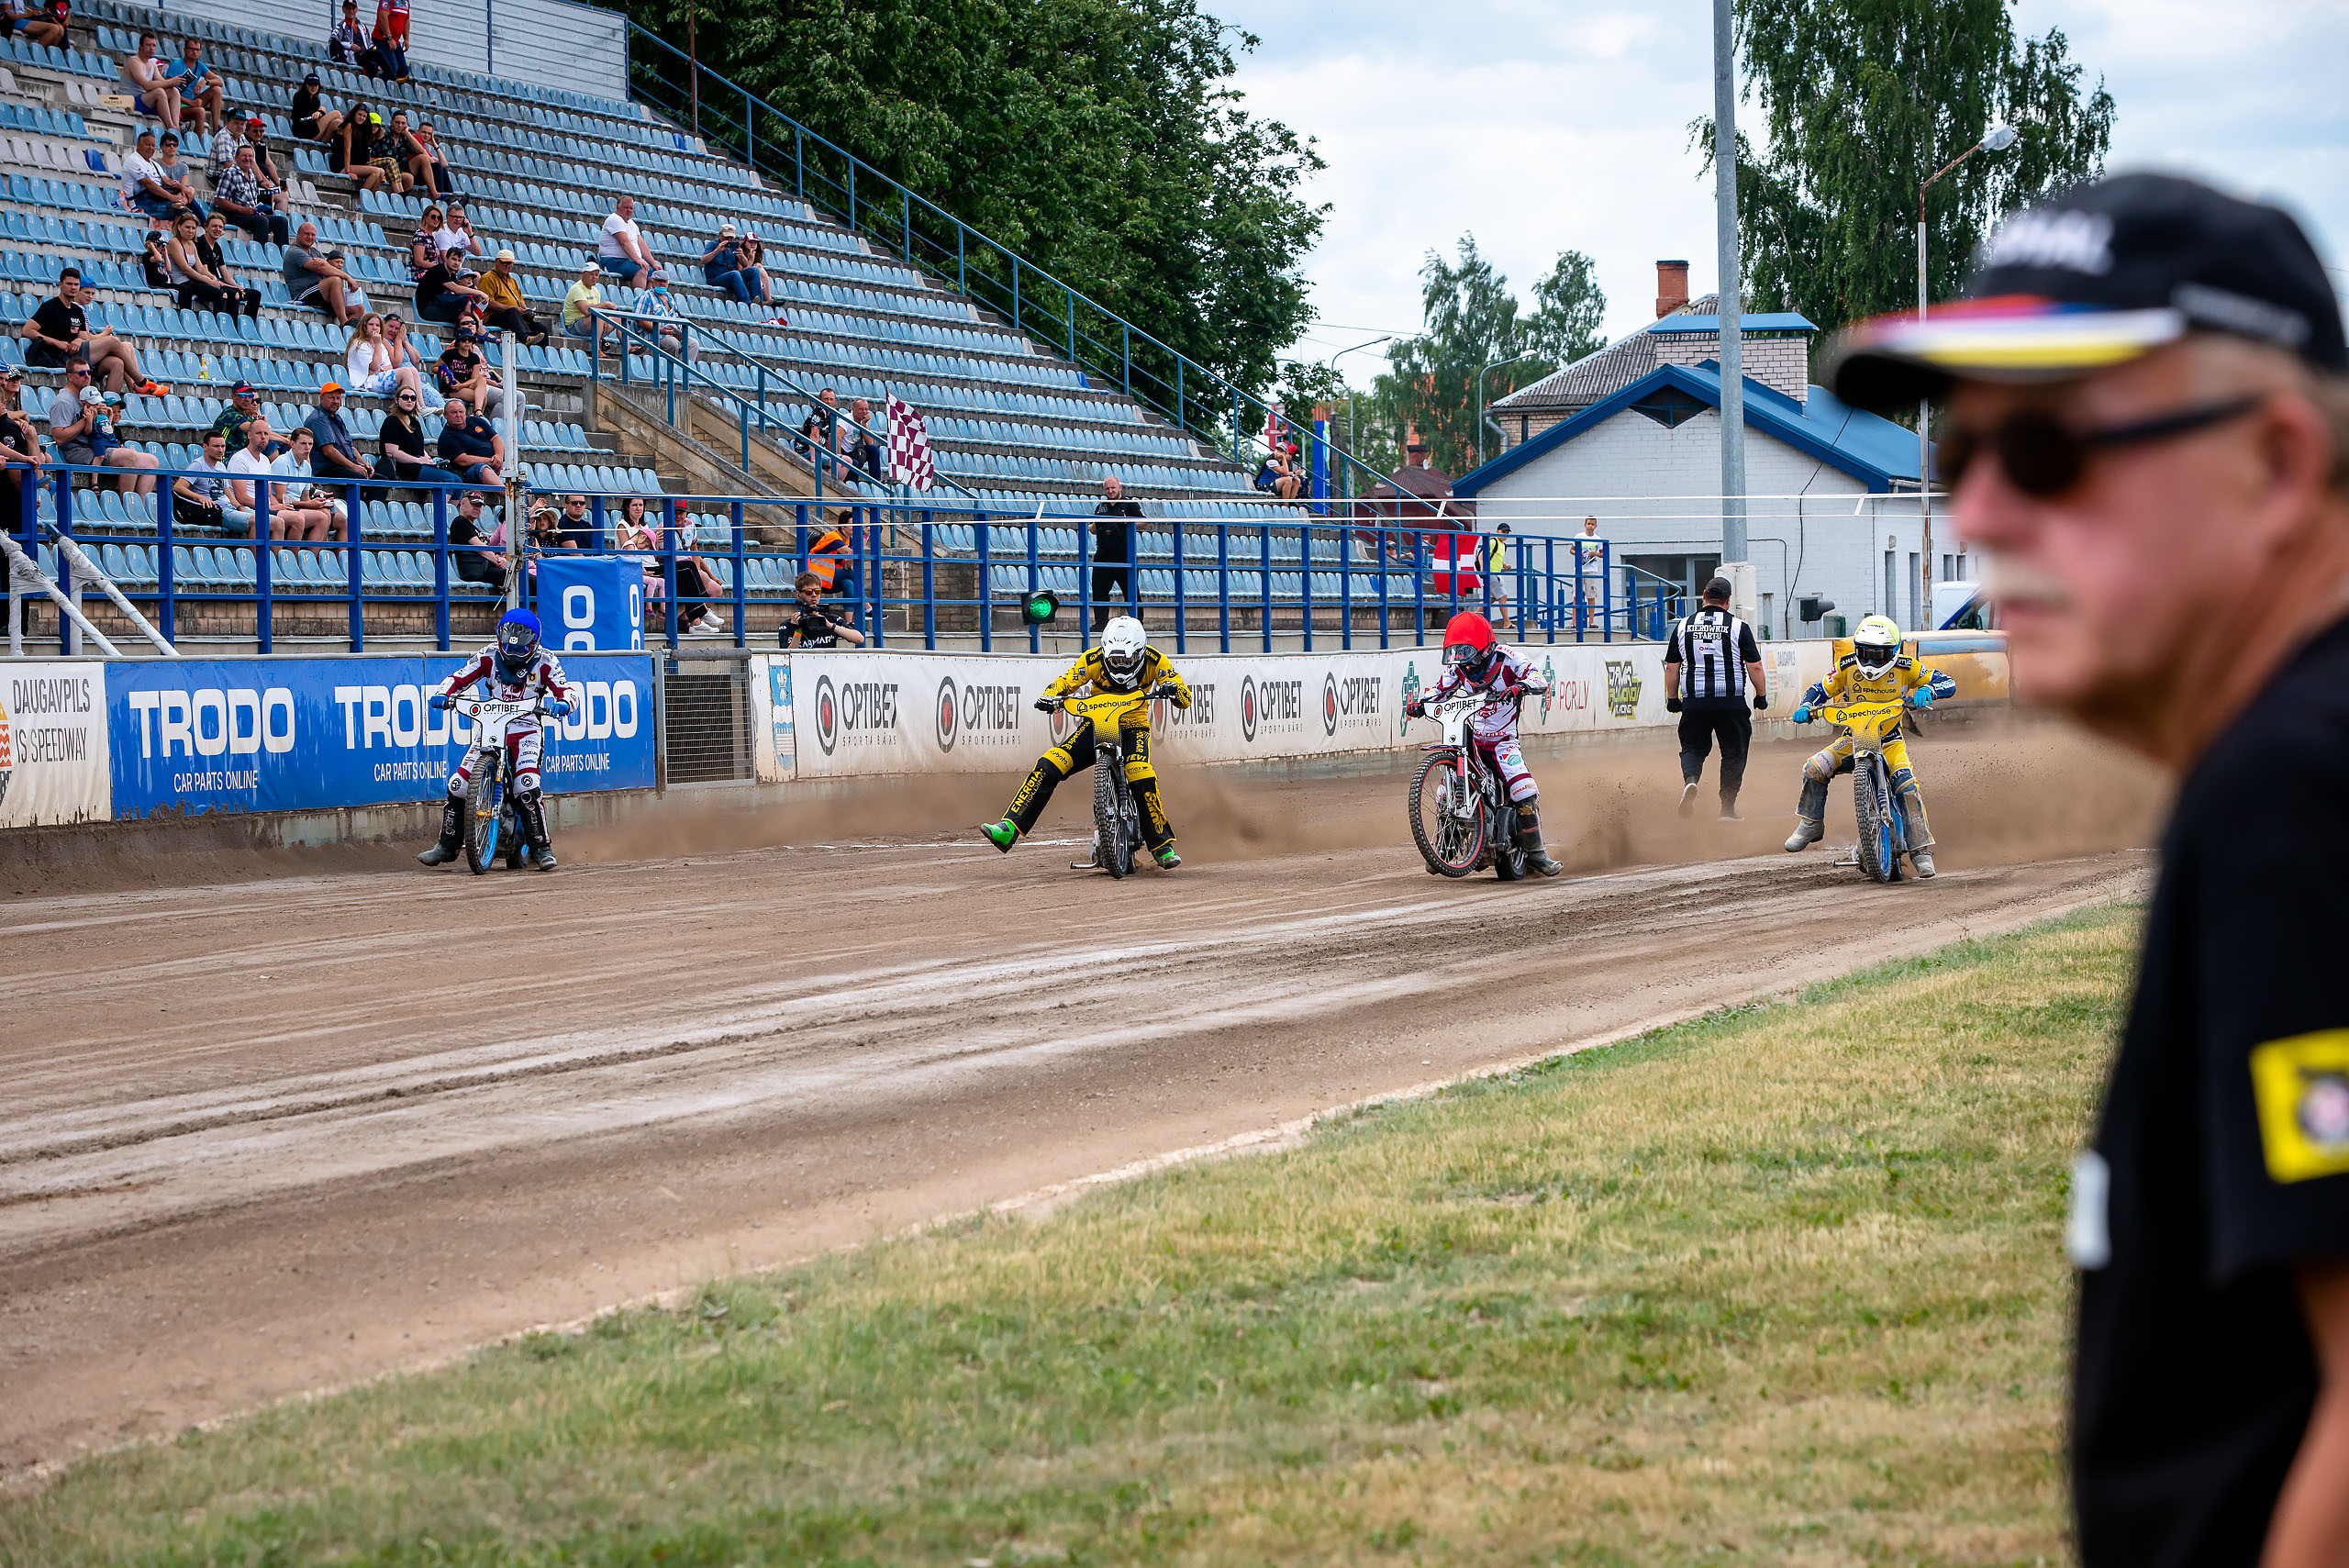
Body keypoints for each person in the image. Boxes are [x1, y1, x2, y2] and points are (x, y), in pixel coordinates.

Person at [1828, 171, 2349, 1567]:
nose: (1979, 514)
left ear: (2279, 464)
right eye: (1961, 454)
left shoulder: (2293, 790)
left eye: (2048, 453)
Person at [980, 615, 1193, 869]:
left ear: (1140, 653)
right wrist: (1050, 695)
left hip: (1133, 728)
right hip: (1095, 725)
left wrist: (1172, 689)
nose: (1121, 665)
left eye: (1127, 659)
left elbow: (1184, 695)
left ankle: (1161, 845)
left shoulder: (1156, 660)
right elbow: (1066, 681)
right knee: (1050, 763)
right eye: (1115, 659)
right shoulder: (1091, 660)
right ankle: (1010, 827)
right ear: (1104, 652)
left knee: (1140, 773)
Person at [1781, 614, 1954, 873]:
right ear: (1856, 650)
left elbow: (1947, 682)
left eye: (1879, 655)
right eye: (1865, 653)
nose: (1871, 662)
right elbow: (1819, 688)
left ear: (1893, 652)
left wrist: (1929, 690)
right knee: (1814, 767)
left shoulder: (1907, 667)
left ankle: (1920, 850)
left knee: (1907, 786)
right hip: (1853, 738)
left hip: (1889, 741)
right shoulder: (1846, 666)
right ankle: (1811, 823)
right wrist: (1807, 705)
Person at [1400, 609, 1564, 874]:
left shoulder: (1509, 659)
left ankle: (1536, 853)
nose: (1465, 663)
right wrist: (1420, 704)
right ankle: (1446, 848)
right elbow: (1440, 689)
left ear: (1485, 648)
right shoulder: (1459, 667)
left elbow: (1538, 679)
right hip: (1472, 740)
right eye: (1459, 654)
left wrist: (1520, 687)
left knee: (1523, 789)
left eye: (1469, 654)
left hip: (1503, 741)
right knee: (1446, 790)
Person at [417, 610, 574, 871]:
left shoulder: (546, 661)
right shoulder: (487, 655)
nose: (513, 648)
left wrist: (564, 703)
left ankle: (542, 847)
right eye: (509, 639)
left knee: (526, 786)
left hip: (526, 732)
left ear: (534, 641)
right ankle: (446, 845)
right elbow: (459, 677)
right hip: (490, 729)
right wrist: (442, 693)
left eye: (521, 642)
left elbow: (566, 689)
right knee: (457, 785)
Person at [1663, 575, 1766, 821]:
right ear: (1728, 601)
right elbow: (1755, 668)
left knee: (1692, 747)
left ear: (1703, 597)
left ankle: (1691, 780)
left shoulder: (1683, 626)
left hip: (1695, 701)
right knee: (1734, 752)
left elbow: (1671, 668)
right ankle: (1727, 809)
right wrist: (1761, 696)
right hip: (1730, 702)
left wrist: (1672, 699)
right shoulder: (1739, 627)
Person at [19, 268, 164, 395]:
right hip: (59, 356)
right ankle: (141, 383)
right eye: (69, 284)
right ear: (60, 285)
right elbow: (27, 330)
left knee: (117, 363)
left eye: (76, 284)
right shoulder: (50, 307)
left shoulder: (77, 310)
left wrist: (77, 340)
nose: (73, 287)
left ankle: (108, 410)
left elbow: (83, 337)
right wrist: (56, 342)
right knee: (113, 341)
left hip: (77, 354)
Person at [48, 361, 157, 495]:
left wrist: (103, 415)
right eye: (82, 373)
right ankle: (126, 506)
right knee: (130, 456)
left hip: (96, 446)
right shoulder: (63, 401)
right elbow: (59, 437)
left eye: (89, 372)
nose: (87, 376)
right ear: (70, 377)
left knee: (152, 461)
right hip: (78, 450)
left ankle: (140, 508)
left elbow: (102, 429)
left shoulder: (89, 395)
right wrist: (86, 419)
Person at [374, 383, 461, 488]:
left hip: (418, 465)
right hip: (403, 467)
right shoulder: (392, 421)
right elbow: (391, 452)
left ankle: (448, 505)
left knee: (458, 481)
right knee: (449, 479)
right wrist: (418, 460)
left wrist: (426, 458)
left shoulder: (415, 422)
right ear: (397, 400)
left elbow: (419, 447)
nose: (409, 400)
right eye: (405, 397)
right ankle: (439, 505)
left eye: (413, 398)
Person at [266, 426, 342, 540]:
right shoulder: (282, 463)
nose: (307, 448)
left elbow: (305, 498)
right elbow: (282, 499)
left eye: (310, 444)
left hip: (296, 506)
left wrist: (320, 502)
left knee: (339, 517)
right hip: (283, 507)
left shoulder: (306, 466)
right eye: (303, 443)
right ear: (292, 444)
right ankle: (298, 556)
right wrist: (310, 505)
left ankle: (313, 557)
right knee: (322, 518)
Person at [284, 222, 363, 328]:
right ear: (298, 234)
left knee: (358, 308)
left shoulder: (315, 252)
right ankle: (344, 322)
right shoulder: (294, 252)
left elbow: (327, 266)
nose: (310, 237)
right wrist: (347, 277)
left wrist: (325, 264)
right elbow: (322, 268)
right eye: (307, 234)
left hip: (321, 294)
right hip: (303, 295)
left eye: (313, 235)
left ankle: (345, 338)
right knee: (334, 280)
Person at [161, 211, 239, 316]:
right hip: (181, 282)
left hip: (192, 281)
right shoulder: (174, 242)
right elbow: (186, 269)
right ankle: (218, 325)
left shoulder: (192, 244)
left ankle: (230, 327)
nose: (190, 231)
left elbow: (200, 268)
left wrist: (214, 279)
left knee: (232, 294)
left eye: (193, 228)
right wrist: (209, 281)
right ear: (179, 227)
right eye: (187, 227)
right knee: (220, 294)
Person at [304, 381, 373, 498]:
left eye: (338, 398)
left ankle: (366, 509)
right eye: (331, 398)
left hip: (344, 465)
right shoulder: (318, 419)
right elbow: (329, 451)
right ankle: (355, 513)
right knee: (359, 478)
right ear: (321, 399)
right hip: (327, 467)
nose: (335, 401)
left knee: (381, 480)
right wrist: (354, 467)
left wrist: (364, 464)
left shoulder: (337, 418)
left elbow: (351, 448)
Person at [1090, 473, 1141, 631]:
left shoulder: (1130, 505)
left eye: (1113, 488)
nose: (1110, 491)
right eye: (1107, 489)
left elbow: (1144, 523)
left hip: (1124, 556)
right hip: (1103, 555)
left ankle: (1137, 624)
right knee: (1099, 591)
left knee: (1131, 591)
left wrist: (1128, 522)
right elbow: (1092, 528)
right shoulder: (1101, 507)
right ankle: (1100, 624)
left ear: (1120, 488)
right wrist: (1093, 526)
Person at [210, 143, 288, 247]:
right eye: (244, 156)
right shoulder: (229, 173)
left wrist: (256, 211)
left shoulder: (251, 174)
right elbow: (219, 201)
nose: (248, 159)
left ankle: (279, 258)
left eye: (250, 156)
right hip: (231, 214)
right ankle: (259, 256)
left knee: (281, 221)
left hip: (248, 214)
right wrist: (243, 210)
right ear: (236, 158)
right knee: (262, 221)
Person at [173, 427, 241, 534]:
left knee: (275, 520)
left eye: (223, 446)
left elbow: (229, 495)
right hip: (218, 511)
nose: (220, 450)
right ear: (205, 447)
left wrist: (240, 507)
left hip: (230, 507)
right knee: (258, 521)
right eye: (216, 446)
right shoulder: (198, 465)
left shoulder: (221, 466)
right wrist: (200, 497)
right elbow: (178, 487)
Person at [195, 212, 261, 319]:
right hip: (207, 282)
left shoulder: (217, 247)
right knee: (234, 294)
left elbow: (225, 273)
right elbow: (205, 272)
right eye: (214, 226)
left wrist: (237, 286)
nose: (218, 229)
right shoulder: (200, 243)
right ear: (206, 227)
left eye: (220, 227)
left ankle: (247, 326)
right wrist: (231, 288)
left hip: (219, 281)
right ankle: (230, 327)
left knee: (255, 295)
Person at [343, 312, 423, 402]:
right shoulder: (358, 344)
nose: (374, 327)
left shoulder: (381, 345)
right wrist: (377, 344)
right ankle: (412, 407)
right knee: (405, 372)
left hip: (379, 376)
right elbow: (374, 366)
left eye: (377, 325)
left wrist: (380, 369)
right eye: (371, 324)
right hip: (366, 382)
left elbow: (389, 367)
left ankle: (421, 406)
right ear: (364, 326)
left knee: (413, 371)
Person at [121, 128, 195, 223]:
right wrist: (171, 197)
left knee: (189, 190)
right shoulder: (134, 160)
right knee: (182, 212)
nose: (151, 148)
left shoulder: (153, 163)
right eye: (148, 145)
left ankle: (181, 204)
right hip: (142, 202)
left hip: (157, 197)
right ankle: (202, 222)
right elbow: (148, 184)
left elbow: (168, 181)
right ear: (139, 145)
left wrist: (183, 188)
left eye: (153, 145)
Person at [780, 570, 865, 648]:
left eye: (817, 591)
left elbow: (859, 639)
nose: (814, 595)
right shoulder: (790, 624)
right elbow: (786, 657)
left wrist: (830, 626)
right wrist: (798, 632)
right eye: (809, 592)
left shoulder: (831, 619)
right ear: (798, 594)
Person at [476, 250, 545, 345]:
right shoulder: (488, 278)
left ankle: (541, 356)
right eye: (504, 263)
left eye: (510, 263)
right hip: (494, 316)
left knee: (541, 327)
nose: (507, 266)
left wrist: (526, 311)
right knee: (512, 311)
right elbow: (488, 302)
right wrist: (512, 308)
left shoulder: (513, 281)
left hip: (514, 316)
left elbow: (521, 302)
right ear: (497, 261)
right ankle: (525, 339)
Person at [445, 487, 507, 590]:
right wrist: (498, 561)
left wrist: (499, 558)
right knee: (522, 578)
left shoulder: (474, 528)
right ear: (462, 503)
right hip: (478, 571)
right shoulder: (460, 522)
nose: (477, 508)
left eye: (479, 506)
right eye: (474, 504)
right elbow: (480, 548)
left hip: (486, 568)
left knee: (527, 578)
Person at [414, 246, 490, 328]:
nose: (456, 263)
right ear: (446, 258)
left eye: (459, 260)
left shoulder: (452, 275)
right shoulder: (439, 270)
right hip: (426, 309)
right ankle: (476, 332)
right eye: (454, 259)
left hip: (436, 305)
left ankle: (472, 332)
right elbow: (457, 289)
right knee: (465, 303)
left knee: (465, 309)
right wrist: (480, 292)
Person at [436, 395, 503, 488]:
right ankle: (510, 499)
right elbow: (463, 460)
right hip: (470, 471)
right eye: (454, 412)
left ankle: (522, 500)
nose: (458, 415)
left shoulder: (477, 421)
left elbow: (496, 438)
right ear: (445, 415)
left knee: (525, 484)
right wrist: (491, 462)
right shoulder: (446, 437)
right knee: (483, 469)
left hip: (495, 464)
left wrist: (498, 457)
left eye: (461, 412)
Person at [596, 195, 661, 290]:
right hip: (614, 261)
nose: (629, 210)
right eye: (626, 207)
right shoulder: (615, 219)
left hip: (627, 261)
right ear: (618, 207)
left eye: (631, 208)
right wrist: (638, 260)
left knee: (655, 275)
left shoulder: (632, 224)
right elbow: (624, 242)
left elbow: (642, 245)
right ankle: (639, 299)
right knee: (642, 270)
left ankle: (648, 300)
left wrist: (653, 263)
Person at [121, 33, 181, 135]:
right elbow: (146, 85)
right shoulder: (134, 62)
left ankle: (176, 127)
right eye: (148, 45)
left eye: (154, 45)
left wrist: (178, 82)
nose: (151, 48)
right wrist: (170, 82)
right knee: (159, 92)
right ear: (141, 46)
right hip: (129, 101)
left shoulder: (152, 63)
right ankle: (170, 127)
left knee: (173, 91)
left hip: (144, 100)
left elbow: (162, 82)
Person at [163, 39, 221, 139]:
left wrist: (205, 81)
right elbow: (167, 91)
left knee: (216, 90)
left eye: (197, 50)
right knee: (200, 111)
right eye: (191, 49)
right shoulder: (176, 65)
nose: (194, 52)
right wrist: (191, 103)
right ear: (184, 50)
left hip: (192, 103)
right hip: (177, 105)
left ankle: (216, 129)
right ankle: (197, 142)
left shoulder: (200, 66)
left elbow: (219, 82)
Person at [561, 259, 610, 348]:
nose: (594, 277)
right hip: (573, 326)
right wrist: (606, 304)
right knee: (598, 318)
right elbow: (586, 311)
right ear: (583, 275)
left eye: (596, 275)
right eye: (591, 274)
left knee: (618, 319)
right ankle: (597, 348)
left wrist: (605, 319)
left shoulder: (595, 291)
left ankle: (628, 348)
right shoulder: (577, 289)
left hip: (589, 323)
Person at [402, 119, 455, 200]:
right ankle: (440, 197)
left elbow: (444, 164)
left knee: (443, 169)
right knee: (437, 166)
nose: (426, 135)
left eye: (429, 134)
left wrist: (435, 144)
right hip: (411, 173)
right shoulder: (415, 138)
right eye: (424, 132)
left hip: (421, 175)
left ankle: (452, 199)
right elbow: (429, 160)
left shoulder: (423, 145)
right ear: (418, 131)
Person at [292, 70, 343, 143]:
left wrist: (320, 111)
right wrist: (320, 111)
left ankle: (325, 141)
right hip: (304, 130)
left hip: (314, 129)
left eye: (316, 85)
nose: (313, 88)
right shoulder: (299, 96)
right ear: (306, 85)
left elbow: (319, 114)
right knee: (337, 113)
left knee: (337, 122)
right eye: (311, 85)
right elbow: (306, 116)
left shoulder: (315, 100)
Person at [371, 0, 411, 83]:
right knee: (392, 67)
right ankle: (377, 79)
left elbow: (406, 20)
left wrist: (406, 39)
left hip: (395, 41)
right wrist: (389, 38)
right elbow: (382, 16)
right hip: (381, 39)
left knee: (403, 72)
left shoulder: (406, 2)